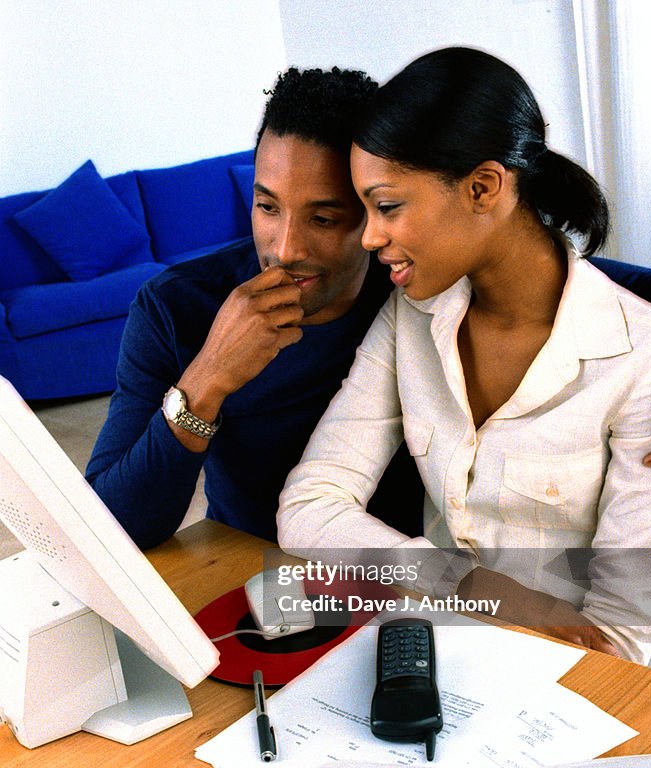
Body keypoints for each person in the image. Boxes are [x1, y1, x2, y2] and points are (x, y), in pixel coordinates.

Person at [277, 47, 651, 665]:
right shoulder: (411, 316)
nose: (370, 237)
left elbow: (622, 639)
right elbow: (308, 507)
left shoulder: (646, 357)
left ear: (483, 187)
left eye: (387, 206)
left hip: (589, 685)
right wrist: (469, 585)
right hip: (449, 653)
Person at [86, 67, 424, 549]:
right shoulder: (175, 306)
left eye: (323, 218)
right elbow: (108, 530)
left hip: (404, 571)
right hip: (253, 567)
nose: (285, 249)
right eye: (268, 207)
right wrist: (207, 379)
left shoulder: (412, 295)